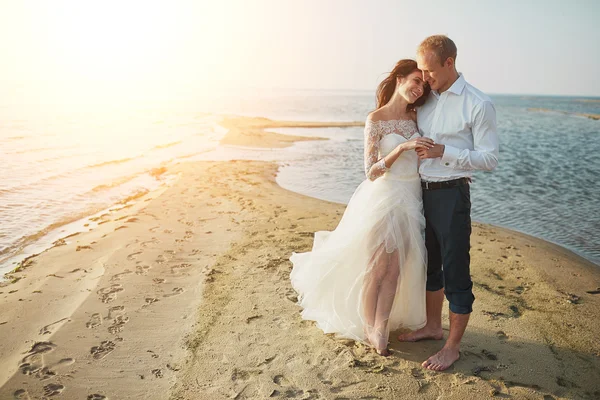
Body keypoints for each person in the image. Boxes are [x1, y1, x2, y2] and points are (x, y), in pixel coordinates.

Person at [290, 59, 433, 356]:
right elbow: (370, 171)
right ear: (399, 79)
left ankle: (382, 324)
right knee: (378, 266)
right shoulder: (376, 119)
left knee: (397, 269)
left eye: (424, 84)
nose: (419, 89)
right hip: (384, 196)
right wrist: (401, 148)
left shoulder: (417, 117)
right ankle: (371, 326)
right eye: (415, 81)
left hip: (412, 196)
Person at [398, 35, 499, 371]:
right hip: (418, 193)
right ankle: (431, 326)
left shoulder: (478, 103)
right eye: (420, 71)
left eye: (428, 70)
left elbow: (489, 159)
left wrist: (446, 152)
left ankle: (452, 347)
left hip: (452, 194)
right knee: (429, 266)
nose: (424, 77)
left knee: (455, 271)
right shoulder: (424, 99)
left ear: (449, 63)